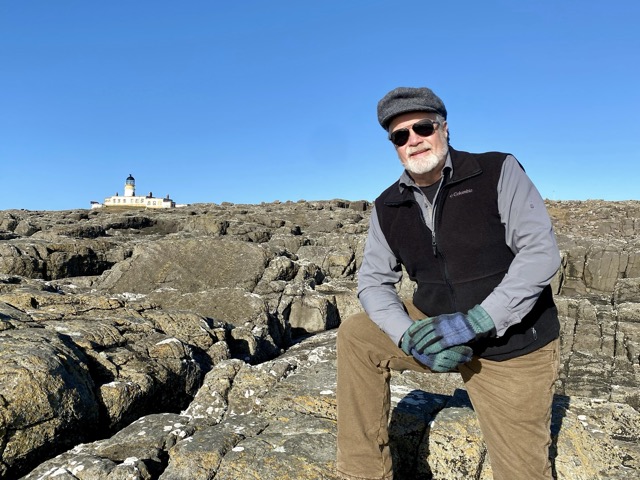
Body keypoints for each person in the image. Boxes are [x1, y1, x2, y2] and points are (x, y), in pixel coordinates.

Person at [336, 87, 561, 480]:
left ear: (444, 128)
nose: (413, 140)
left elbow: (540, 254)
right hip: (434, 329)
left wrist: (476, 322)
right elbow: (373, 282)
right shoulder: (387, 205)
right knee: (357, 334)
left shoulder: (496, 171)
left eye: (421, 127)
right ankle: (363, 472)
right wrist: (408, 336)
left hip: (511, 346)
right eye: (399, 136)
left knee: (523, 473)